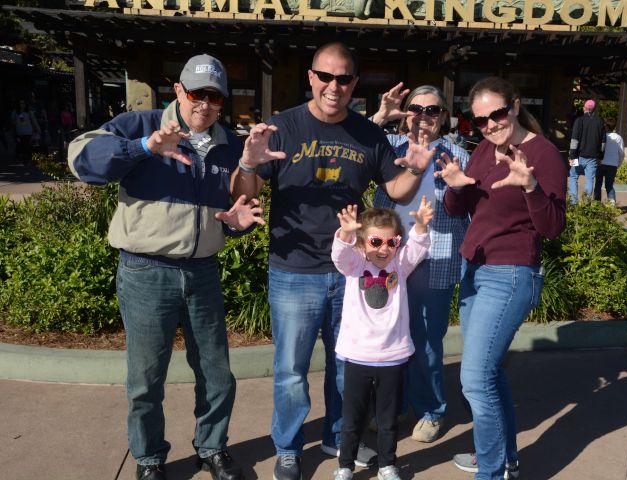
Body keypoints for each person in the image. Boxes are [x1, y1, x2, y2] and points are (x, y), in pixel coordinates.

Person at [231, 42, 435, 480]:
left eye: (343, 79)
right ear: (311, 77)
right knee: (291, 369)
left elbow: (397, 191)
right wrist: (247, 164)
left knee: (347, 365)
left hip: (352, 271)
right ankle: (288, 448)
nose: (333, 86)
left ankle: (339, 437)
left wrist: (417, 169)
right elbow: (246, 193)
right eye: (325, 76)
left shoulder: (367, 134)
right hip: (293, 270)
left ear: (354, 83)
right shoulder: (283, 128)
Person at [68, 54, 261, 480]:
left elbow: (228, 215)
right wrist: (143, 147)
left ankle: (212, 448)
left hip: (202, 272)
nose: (204, 104)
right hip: (145, 271)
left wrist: (234, 225)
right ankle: (149, 458)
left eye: (215, 97)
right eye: (196, 94)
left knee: (216, 373)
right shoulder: (140, 125)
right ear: (178, 90)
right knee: (146, 378)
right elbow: (81, 160)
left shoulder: (229, 144)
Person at [435, 76, 566, 480]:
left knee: (475, 380)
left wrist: (530, 186)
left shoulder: (543, 154)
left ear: (515, 106)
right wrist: (455, 187)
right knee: (489, 375)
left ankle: (491, 472)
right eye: (480, 120)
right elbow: (458, 209)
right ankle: (502, 457)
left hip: (509, 275)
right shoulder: (483, 151)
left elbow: (553, 227)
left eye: (497, 114)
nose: (490, 125)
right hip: (474, 270)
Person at [371, 83, 469, 443]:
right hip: (389, 255)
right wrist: (379, 116)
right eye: (415, 108)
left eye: (432, 110)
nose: (423, 116)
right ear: (405, 113)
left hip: (435, 256)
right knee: (388, 335)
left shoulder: (457, 156)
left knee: (426, 337)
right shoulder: (389, 147)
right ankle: (393, 406)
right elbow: (354, 142)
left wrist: (459, 187)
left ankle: (430, 410)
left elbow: (473, 205)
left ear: (443, 117)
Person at [331, 198, 433, 480]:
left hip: (392, 356)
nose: (384, 249)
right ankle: (345, 465)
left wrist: (421, 226)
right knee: (352, 420)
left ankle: (388, 464)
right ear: (362, 243)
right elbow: (340, 256)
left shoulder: (400, 264)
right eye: (375, 242)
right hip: (358, 355)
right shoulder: (354, 264)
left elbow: (418, 247)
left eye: (392, 242)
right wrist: (346, 234)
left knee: (387, 421)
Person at [568, 99, 605, 203]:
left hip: (578, 156)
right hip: (593, 157)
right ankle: (586, 204)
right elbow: (603, 142)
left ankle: (573, 203)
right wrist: (600, 157)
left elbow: (574, 140)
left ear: (584, 108)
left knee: (573, 176)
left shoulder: (579, 120)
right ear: (594, 109)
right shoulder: (600, 121)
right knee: (589, 180)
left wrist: (571, 156)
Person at [593, 117, 624, 205]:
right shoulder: (618, 137)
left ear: (606, 126)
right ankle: (612, 202)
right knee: (609, 185)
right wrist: (619, 163)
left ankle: (596, 203)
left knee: (598, 184)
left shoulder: (601, 136)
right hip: (612, 164)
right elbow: (621, 153)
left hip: (600, 163)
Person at [10, 99, 38, 165]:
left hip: (28, 131)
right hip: (19, 131)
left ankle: (26, 158)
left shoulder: (29, 112)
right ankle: (24, 157)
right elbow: (12, 121)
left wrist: (36, 128)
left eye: (23, 103)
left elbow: (33, 120)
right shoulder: (15, 112)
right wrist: (15, 122)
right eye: (20, 103)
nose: (22, 105)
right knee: (22, 144)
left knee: (26, 144)